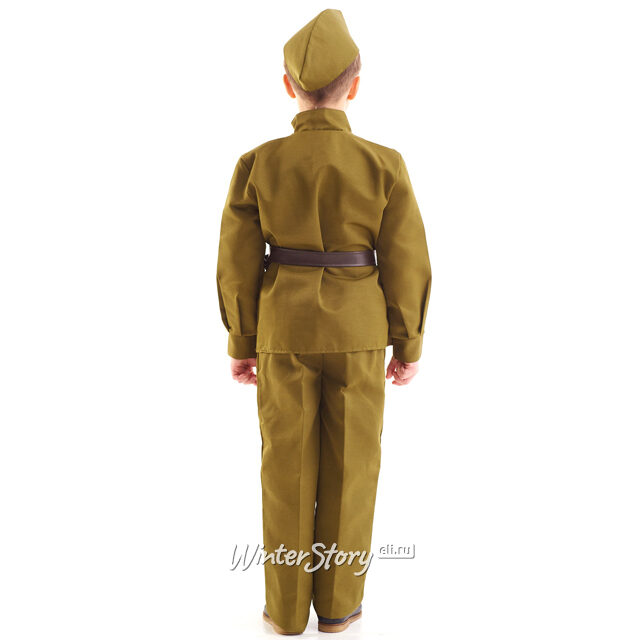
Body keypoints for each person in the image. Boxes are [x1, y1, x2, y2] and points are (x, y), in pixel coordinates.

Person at [216, 8, 432, 635]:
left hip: (283, 329)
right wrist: (408, 342)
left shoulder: (257, 163)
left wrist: (242, 338)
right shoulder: (385, 164)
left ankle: (284, 613)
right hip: (359, 333)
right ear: (355, 85)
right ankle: (339, 609)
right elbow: (406, 256)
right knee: (353, 467)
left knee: (284, 468)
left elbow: (236, 258)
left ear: (288, 86)